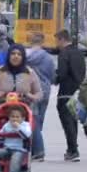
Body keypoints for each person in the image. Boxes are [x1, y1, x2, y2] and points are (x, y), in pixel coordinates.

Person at [54, 29, 86, 162]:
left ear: (62, 39)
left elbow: (61, 73)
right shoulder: (79, 53)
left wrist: (54, 79)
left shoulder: (64, 54)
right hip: (77, 91)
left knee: (67, 122)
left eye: (57, 40)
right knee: (73, 121)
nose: (56, 44)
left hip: (65, 92)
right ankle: (72, 148)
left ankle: (73, 150)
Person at [26, 32, 55, 162]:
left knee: (33, 120)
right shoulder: (48, 58)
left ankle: (37, 150)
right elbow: (52, 76)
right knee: (39, 120)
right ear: (42, 42)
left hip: (31, 91)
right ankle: (36, 147)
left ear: (31, 41)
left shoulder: (26, 56)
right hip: (45, 91)